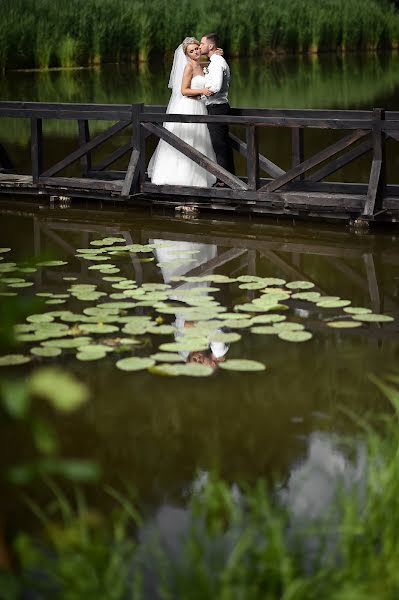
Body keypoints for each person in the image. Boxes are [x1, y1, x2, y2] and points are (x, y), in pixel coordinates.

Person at [149, 37, 217, 187]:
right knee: (188, 140)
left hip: (199, 106)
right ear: (187, 55)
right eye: (191, 51)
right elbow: (184, 90)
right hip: (189, 106)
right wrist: (203, 90)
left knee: (200, 141)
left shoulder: (200, 65)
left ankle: (200, 177)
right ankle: (181, 177)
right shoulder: (188, 68)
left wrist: (217, 55)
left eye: (197, 48)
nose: (195, 52)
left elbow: (212, 64)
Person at [200, 33, 235, 184]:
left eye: (202, 43)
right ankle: (229, 179)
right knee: (222, 144)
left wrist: (200, 93)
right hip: (217, 106)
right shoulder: (214, 61)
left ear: (210, 46)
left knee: (219, 145)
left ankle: (224, 181)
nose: (200, 46)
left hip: (217, 107)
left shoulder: (216, 63)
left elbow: (215, 87)